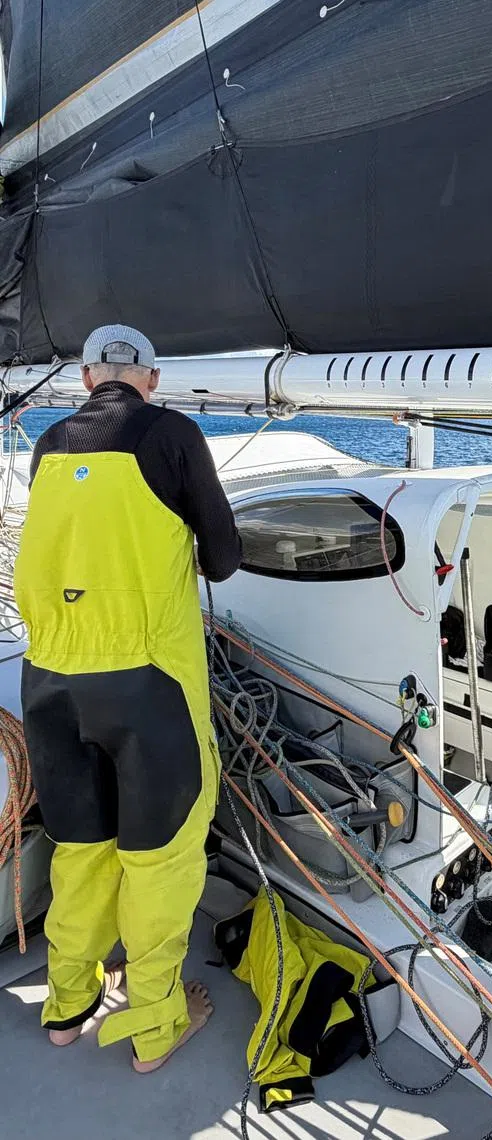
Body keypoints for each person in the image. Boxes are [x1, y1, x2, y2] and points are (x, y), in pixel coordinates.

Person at [13, 325, 242, 1071]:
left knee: (80, 851)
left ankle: (66, 1007)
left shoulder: (49, 444)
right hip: (147, 687)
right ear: (150, 377)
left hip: (49, 684)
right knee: (159, 859)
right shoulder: (171, 433)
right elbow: (226, 559)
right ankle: (153, 1026)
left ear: (85, 379)